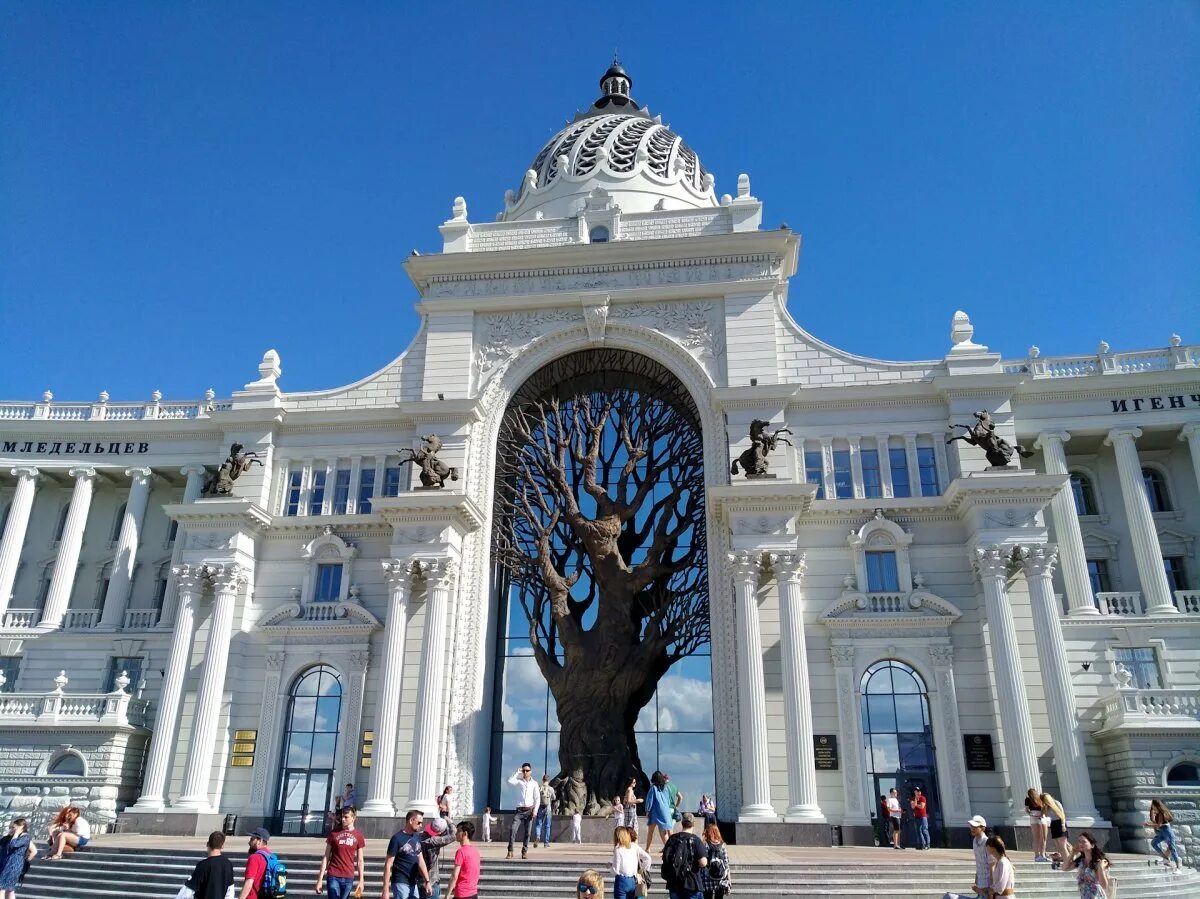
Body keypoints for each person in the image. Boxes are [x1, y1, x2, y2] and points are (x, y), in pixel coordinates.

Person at [316, 806, 365, 899]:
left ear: (353, 818)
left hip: (348, 877)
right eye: (342, 817)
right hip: (333, 875)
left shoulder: (358, 836)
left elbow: (360, 861)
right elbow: (326, 857)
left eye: (346, 817)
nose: (343, 819)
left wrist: (361, 880)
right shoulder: (334, 834)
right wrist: (320, 880)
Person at [382, 810, 433, 899]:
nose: (421, 825)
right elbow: (388, 864)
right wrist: (385, 889)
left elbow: (420, 860)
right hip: (400, 881)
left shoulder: (417, 837)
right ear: (410, 821)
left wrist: (427, 881)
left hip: (413, 881)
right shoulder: (397, 838)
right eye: (419, 822)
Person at [660, 813, 708, 899]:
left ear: (682, 823)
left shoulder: (672, 839)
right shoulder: (695, 840)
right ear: (693, 824)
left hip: (674, 882)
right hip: (691, 882)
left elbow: (665, 858)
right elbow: (703, 862)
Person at [182, 831, 235, 899]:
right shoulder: (228, 864)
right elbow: (230, 891)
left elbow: (188, 891)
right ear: (222, 846)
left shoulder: (203, 865)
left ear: (207, 844)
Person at [1062, 832, 1111, 899]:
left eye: (1084, 841)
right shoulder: (1081, 861)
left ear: (1092, 845)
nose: (1080, 844)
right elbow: (1064, 868)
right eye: (1079, 841)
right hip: (1084, 895)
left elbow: (1104, 886)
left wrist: (1100, 868)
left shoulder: (1099, 862)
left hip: (1096, 896)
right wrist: (1072, 853)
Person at [506, 763, 540, 860]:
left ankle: (524, 852)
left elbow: (537, 798)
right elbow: (510, 781)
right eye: (523, 770)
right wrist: (517, 772)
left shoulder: (534, 783)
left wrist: (535, 811)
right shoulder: (519, 782)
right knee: (513, 830)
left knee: (527, 833)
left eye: (527, 770)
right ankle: (510, 851)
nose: (525, 772)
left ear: (531, 771)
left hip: (529, 811)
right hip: (519, 811)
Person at [420, 815, 458, 899]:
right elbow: (453, 835)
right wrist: (450, 822)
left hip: (419, 880)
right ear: (440, 833)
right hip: (431, 881)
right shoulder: (434, 841)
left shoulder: (420, 836)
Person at [610, 825, 651, 899]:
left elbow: (615, 871)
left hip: (621, 881)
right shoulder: (634, 846)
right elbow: (647, 858)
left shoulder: (618, 849)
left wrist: (610, 867)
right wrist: (641, 872)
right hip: (632, 880)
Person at [0, 817, 35, 899]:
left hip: (14, 864)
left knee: (2, 887)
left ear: (21, 827)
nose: (12, 829)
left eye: (14, 827)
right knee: (9, 889)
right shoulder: (10, 837)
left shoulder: (25, 837)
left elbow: (14, 845)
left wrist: (26, 860)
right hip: (6, 862)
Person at [695, 822, 730, 899]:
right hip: (720, 877)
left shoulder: (704, 845)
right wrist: (729, 879)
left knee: (707, 897)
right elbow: (726, 863)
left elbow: (701, 861)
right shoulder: (722, 845)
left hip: (707, 876)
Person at [446, 821, 480, 899]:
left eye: (458, 831)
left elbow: (454, 876)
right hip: (473, 893)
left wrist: (447, 896)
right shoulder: (475, 851)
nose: (456, 834)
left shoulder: (461, 851)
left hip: (462, 893)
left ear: (465, 833)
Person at [239, 828, 275, 899]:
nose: (249, 843)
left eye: (252, 839)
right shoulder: (271, 857)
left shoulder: (255, 858)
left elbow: (249, 883)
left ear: (260, 841)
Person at [1146, 798, 1181, 871]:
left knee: (1172, 848)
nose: (1152, 807)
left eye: (1153, 805)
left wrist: (1148, 825)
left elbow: (1159, 825)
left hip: (1167, 831)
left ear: (1156, 805)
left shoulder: (1161, 814)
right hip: (1162, 832)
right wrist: (1152, 812)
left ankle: (1178, 866)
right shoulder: (1157, 813)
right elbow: (1153, 820)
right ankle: (1165, 857)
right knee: (1154, 843)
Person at [643, 772, 673, 853]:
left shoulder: (653, 788)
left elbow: (649, 800)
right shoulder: (665, 788)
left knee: (651, 831)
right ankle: (668, 848)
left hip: (655, 812)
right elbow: (668, 800)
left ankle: (648, 848)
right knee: (664, 831)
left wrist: (647, 811)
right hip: (665, 811)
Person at [1040, 792, 1069, 862]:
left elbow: (1062, 815)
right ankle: (1064, 859)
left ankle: (1068, 861)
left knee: (1063, 845)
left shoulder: (1056, 803)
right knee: (1058, 845)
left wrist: (1063, 825)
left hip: (1060, 823)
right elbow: (1043, 816)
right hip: (1053, 824)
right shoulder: (1046, 807)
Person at [986, 835, 1015, 899]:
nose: (986, 849)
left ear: (992, 848)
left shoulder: (1003, 862)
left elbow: (1001, 885)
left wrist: (990, 890)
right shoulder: (999, 862)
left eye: (987, 846)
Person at [1025, 790, 1047, 862]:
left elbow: (1027, 810)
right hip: (1037, 816)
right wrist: (1030, 814)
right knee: (1039, 837)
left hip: (1038, 816)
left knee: (1040, 837)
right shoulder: (1029, 799)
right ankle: (1039, 855)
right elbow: (1026, 809)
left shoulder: (1040, 798)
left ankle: (1039, 855)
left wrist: (1030, 814)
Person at [534, 774, 556, 848]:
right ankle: (546, 843)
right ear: (549, 780)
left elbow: (535, 797)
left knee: (538, 824)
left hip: (540, 807)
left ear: (542, 780)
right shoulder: (550, 789)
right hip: (548, 808)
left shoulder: (539, 788)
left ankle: (537, 836)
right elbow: (554, 797)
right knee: (547, 826)